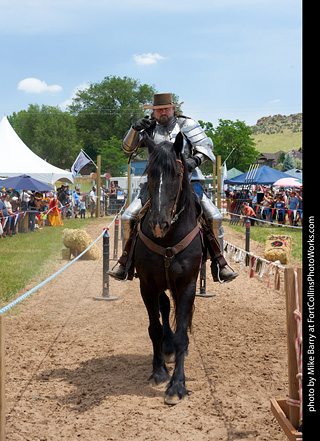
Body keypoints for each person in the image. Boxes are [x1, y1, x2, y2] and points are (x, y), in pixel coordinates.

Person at [108, 93, 238, 283]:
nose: (162, 113)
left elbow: (205, 146)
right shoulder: (148, 128)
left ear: (173, 109)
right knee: (128, 217)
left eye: (166, 109)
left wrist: (194, 161)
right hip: (155, 183)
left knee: (214, 216)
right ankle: (126, 262)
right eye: (158, 110)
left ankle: (219, 263)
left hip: (188, 181)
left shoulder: (186, 124)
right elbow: (127, 149)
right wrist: (134, 129)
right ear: (154, 112)